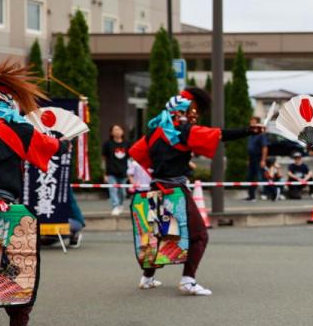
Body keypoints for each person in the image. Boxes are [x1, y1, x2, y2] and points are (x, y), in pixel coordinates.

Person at [129, 88, 263, 295]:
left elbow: (136, 152)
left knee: (159, 236)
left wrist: (166, 162)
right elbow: (219, 134)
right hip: (175, 191)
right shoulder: (184, 131)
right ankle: (188, 280)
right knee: (199, 235)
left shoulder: (154, 132)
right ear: (181, 112)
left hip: (155, 188)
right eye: (192, 111)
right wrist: (249, 130)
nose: (195, 115)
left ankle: (147, 278)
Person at [0, 59, 61, 326]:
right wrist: (61, 143)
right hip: (0, 210)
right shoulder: (11, 128)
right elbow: (50, 146)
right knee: (19, 265)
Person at [102, 123, 129, 216]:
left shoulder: (127, 143)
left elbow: (130, 159)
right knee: (113, 189)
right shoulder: (107, 144)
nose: (117, 132)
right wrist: (104, 173)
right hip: (111, 171)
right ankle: (115, 206)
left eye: (119, 129)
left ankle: (120, 205)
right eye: (115, 130)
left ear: (122, 131)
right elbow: (104, 159)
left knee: (122, 192)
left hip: (123, 171)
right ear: (111, 133)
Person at [245, 116, 268, 202]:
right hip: (252, 158)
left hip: (258, 158)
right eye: (251, 121)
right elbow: (250, 148)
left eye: (254, 122)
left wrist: (263, 160)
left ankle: (269, 192)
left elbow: (265, 148)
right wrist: (248, 159)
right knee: (250, 177)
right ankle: (251, 196)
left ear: (258, 123)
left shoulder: (261, 135)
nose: (251, 123)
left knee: (261, 177)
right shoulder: (251, 134)